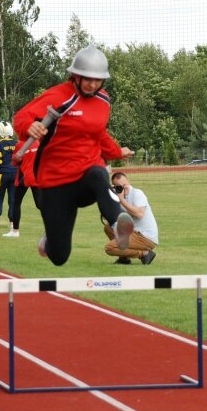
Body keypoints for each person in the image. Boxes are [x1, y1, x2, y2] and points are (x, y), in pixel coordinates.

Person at [13, 45, 134, 266]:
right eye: (87, 78)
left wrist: (116, 152)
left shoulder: (103, 101)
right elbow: (22, 117)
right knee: (59, 256)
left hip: (86, 176)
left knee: (98, 174)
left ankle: (119, 226)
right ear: (75, 76)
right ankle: (51, 236)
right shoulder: (60, 95)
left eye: (98, 80)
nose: (92, 84)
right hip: (56, 182)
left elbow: (98, 134)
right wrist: (30, 127)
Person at [103, 172, 158, 265]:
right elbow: (111, 218)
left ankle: (144, 253)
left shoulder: (137, 193)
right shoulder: (117, 197)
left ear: (128, 181)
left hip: (145, 237)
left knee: (110, 248)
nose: (124, 188)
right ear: (115, 187)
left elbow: (139, 214)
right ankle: (124, 258)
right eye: (120, 187)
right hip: (134, 232)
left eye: (125, 185)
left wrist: (122, 200)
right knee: (108, 228)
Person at [4, 138, 40, 238]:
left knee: (16, 203)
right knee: (40, 205)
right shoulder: (38, 142)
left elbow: (14, 162)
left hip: (24, 177)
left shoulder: (20, 145)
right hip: (36, 176)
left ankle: (15, 231)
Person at [0, 121, 18, 230]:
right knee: (13, 198)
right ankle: (12, 222)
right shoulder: (17, 143)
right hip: (15, 174)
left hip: (2, 175)